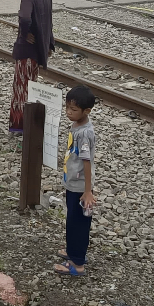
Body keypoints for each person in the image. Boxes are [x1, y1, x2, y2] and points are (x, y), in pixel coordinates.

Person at [54, 84, 97, 278]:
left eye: (74, 110)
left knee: (77, 223)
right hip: (72, 181)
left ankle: (77, 263)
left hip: (80, 186)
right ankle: (73, 252)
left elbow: (87, 162)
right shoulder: (78, 125)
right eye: (67, 108)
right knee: (72, 220)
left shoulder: (85, 134)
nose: (69, 113)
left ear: (86, 111)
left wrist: (87, 191)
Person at [10, 0, 54, 133]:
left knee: (21, 89)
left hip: (26, 51)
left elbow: (25, 18)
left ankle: (20, 127)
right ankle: (30, 125)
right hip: (38, 52)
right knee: (31, 87)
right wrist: (49, 44)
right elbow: (48, 22)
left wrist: (25, 33)